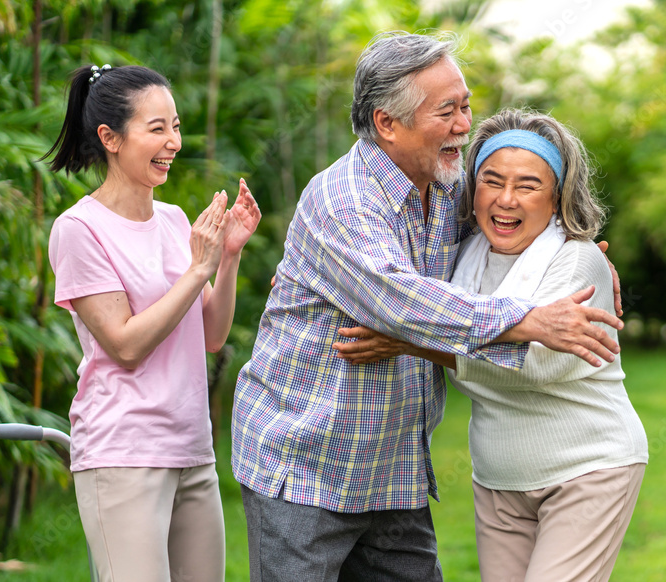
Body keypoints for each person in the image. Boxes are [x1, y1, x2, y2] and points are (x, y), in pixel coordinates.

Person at [231, 32, 624, 581]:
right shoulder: (342, 199)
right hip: (307, 466)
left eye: (465, 106)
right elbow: (400, 302)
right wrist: (526, 320)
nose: (465, 124)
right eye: (448, 111)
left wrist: (579, 253)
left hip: (394, 470)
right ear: (387, 123)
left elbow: (511, 218)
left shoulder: (447, 185)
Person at [335, 108, 649, 581]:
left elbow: (535, 363)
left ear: (557, 195)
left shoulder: (578, 262)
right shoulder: (460, 255)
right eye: (491, 180)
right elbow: (394, 289)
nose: (506, 200)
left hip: (588, 469)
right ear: (471, 187)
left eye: (528, 185)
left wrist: (410, 343)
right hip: (499, 481)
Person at [44, 64, 260, 582]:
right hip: (123, 453)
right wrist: (199, 268)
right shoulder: (79, 229)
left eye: (177, 127)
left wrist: (226, 257)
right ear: (110, 138)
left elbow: (211, 335)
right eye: (157, 128)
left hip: (191, 447)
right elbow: (124, 344)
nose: (173, 142)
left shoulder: (174, 221)